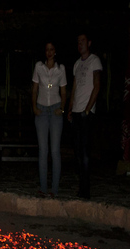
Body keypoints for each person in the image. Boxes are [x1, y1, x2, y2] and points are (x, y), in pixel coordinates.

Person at [67, 32, 102, 199]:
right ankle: (81, 187)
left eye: (82, 41)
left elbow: (97, 86)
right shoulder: (76, 64)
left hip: (86, 113)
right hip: (76, 112)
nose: (80, 44)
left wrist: (88, 109)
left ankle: (86, 190)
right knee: (78, 152)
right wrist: (70, 109)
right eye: (78, 41)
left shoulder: (94, 60)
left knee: (86, 153)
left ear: (89, 42)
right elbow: (74, 88)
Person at [32, 41, 67, 198]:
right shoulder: (39, 67)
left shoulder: (61, 69)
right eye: (47, 50)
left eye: (52, 49)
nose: (49, 52)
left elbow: (64, 91)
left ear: (55, 51)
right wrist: (34, 107)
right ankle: (43, 187)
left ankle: (55, 189)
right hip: (41, 110)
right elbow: (34, 89)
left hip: (55, 110)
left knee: (54, 151)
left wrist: (63, 108)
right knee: (43, 151)